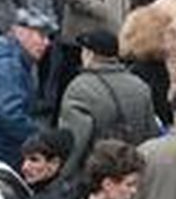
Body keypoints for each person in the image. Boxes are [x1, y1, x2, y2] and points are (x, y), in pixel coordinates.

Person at [56, 28, 157, 177]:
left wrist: (63, 176)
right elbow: (151, 132)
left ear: (89, 54)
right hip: (132, 173)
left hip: (97, 175)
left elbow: (75, 141)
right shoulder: (140, 86)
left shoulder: (80, 88)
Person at [0, 7, 55, 168]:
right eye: (41, 35)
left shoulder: (12, 61)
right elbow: (11, 117)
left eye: (48, 36)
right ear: (19, 32)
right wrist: (42, 138)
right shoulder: (7, 67)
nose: (46, 43)